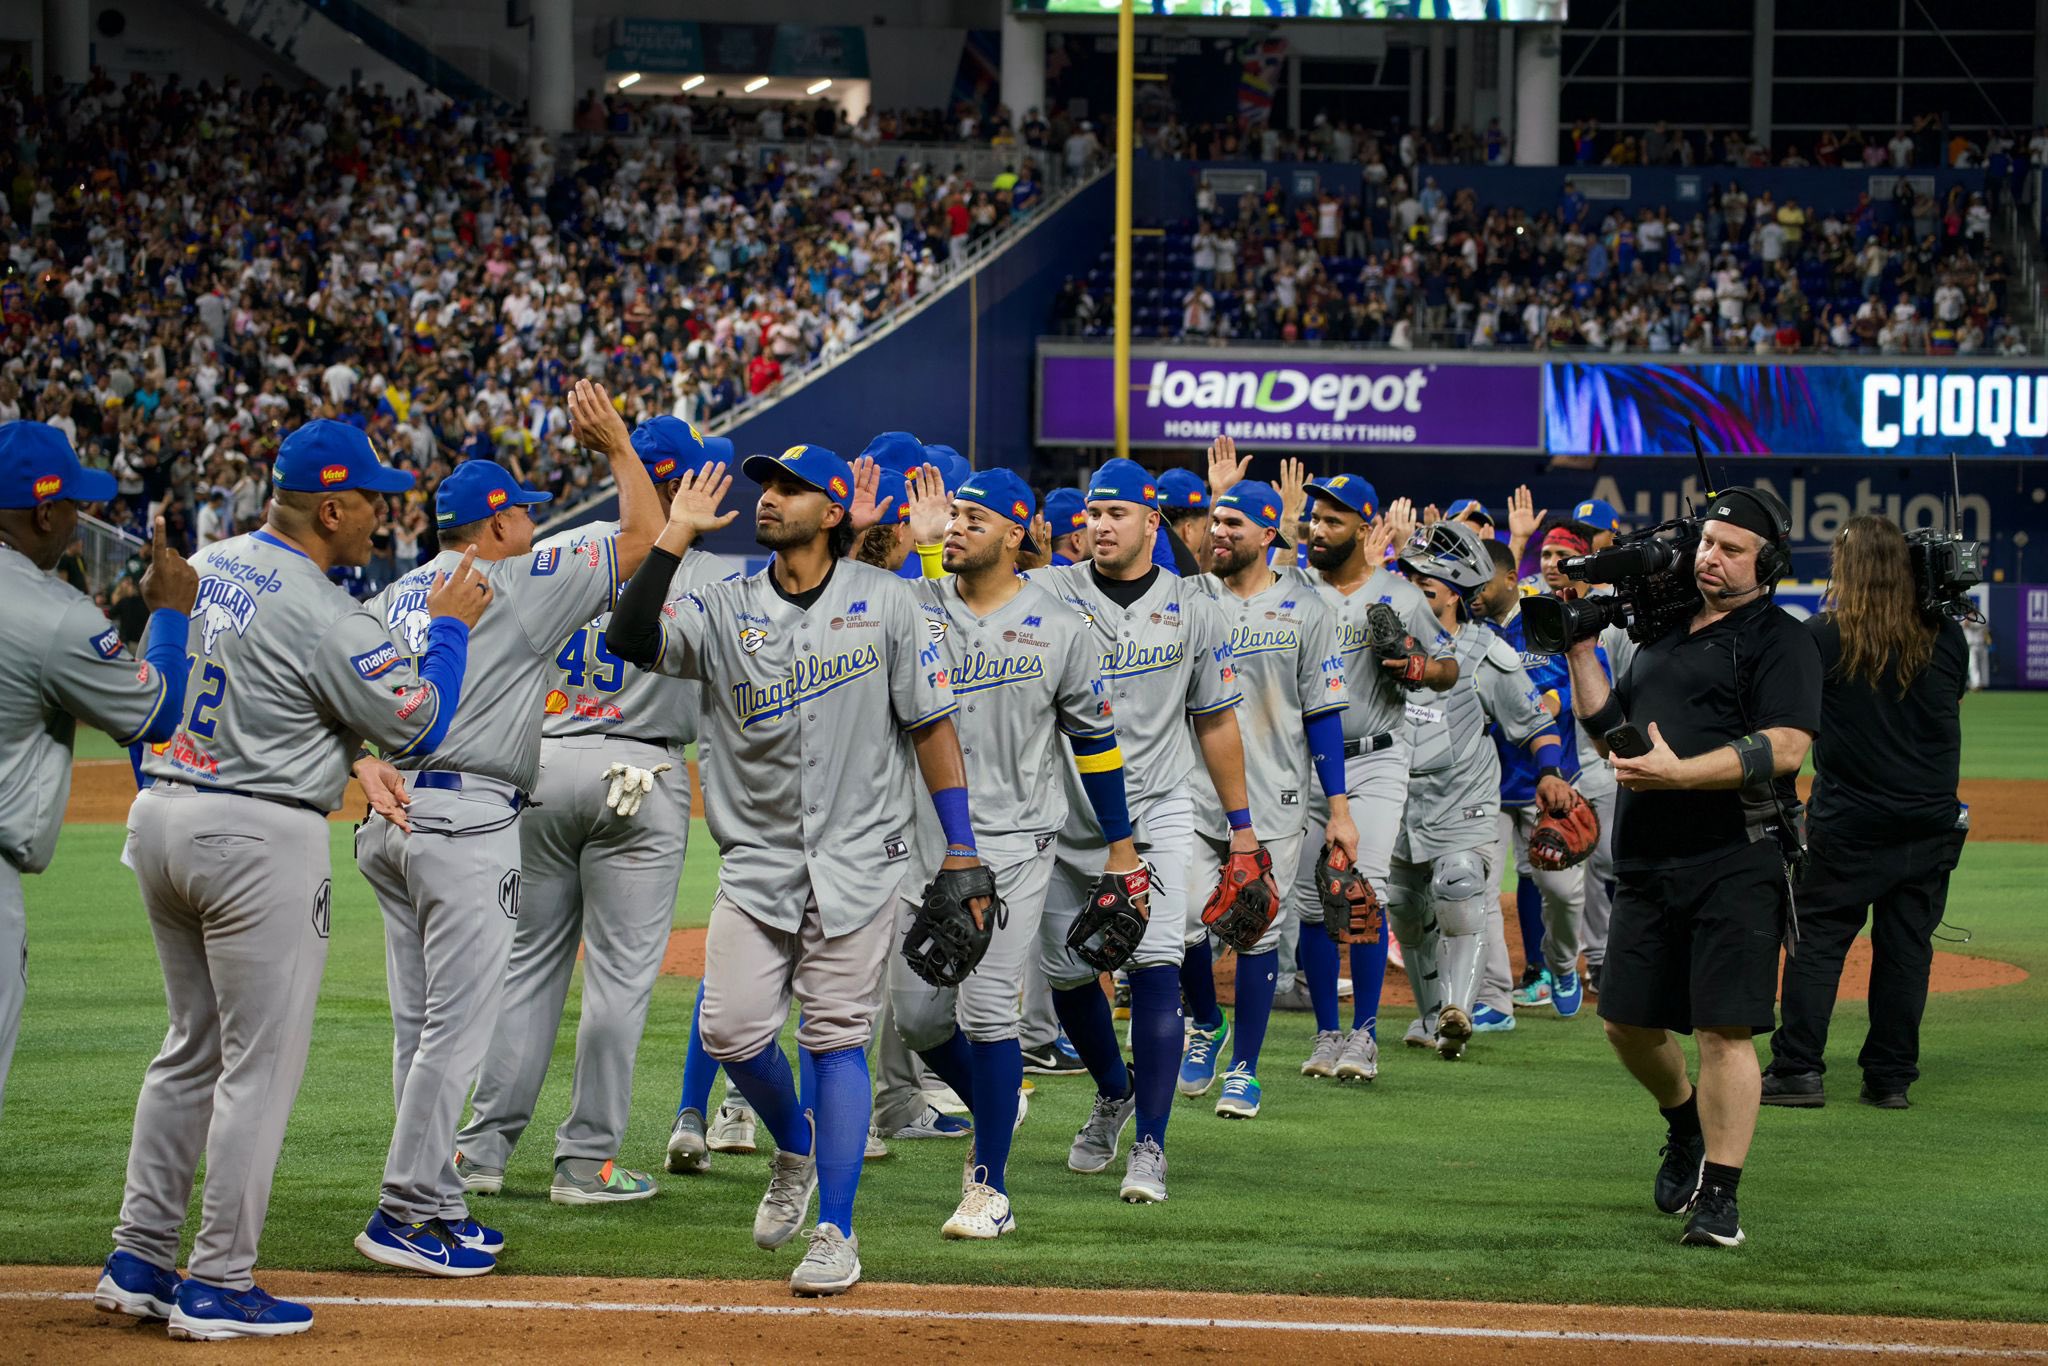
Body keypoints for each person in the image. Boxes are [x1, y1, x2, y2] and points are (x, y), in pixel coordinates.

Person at [102, 421, 489, 1340]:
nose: (381, 518)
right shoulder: (326, 609)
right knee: (257, 1069)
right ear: (330, 506)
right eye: (370, 501)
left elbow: (198, 699)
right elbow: (421, 726)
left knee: (188, 1046)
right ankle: (218, 1281)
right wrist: (447, 630)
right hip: (255, 836)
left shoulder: (211, 559)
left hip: (161, 816)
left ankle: (139, 1258)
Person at [605, 442, 983, 1297]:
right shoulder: (723, 603)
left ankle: (838, 1232)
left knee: (837, 1041)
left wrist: (960, 846)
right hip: (759, 861)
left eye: (790, 487)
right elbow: (631, 637)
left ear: (835, 510)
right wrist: (672, 536)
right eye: (765, 486)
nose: (769, 498)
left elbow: (931, 726)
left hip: (861, 859)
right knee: (732, 1032)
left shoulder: (889, 605)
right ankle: (795, 1147)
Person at [353, 380, 664, 1278]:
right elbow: (643, 542)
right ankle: (407, 1210)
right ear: (492, 526)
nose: (533, 524)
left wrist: (356, 762)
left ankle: (439, 1199)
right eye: (520, 513)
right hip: (463, 819)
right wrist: (615, 446)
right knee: (457, 1032)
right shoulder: (517, 580)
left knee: (419, 1031)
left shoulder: (398, 590)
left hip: (392, 818)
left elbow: (334, 683)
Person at [452, 418, 741, 1206]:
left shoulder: (566, 550)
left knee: (527, 973)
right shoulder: (713, 578)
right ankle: (585, 1163)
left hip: (540, 765)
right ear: (692, 482)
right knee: (617, 982)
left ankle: (479, 1152)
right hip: (643, 772)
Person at [1566, 486, 1823, 1249]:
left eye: (1732, 549)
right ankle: (1684, 1122)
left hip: (1736, 855)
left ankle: (1721, 1196)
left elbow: (1785, 748)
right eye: (1708, 542)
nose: (1711, 557)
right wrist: (1580, 649)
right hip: (1648, 851)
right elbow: (1610, 727)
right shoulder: (1664, 633)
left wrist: (1681, 774)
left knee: (1724, 1030)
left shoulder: (1783, 640)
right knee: (1626, 1023)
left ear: (1767, 564)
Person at [894, 465, 1142, 1236]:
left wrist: (1121, 844)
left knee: (989, 1013)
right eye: (953, 515)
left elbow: (1096, 743)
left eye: (975, 516)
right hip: (922, 841)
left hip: (1014, 842)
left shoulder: (1063, 626)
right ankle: (998, 1106)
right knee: (915, 1020)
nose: (958, 525)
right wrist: (922, 545)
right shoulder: (915, 602)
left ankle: (988, 1187)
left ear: (1016, 530)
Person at [1025, 457, 1258, 1205]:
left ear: (1152, 523)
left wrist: (1245, 831)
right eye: (1093, 512)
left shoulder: (1194, 608)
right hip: (1062, 816)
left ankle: (1151, 1144)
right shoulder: (1050, 591)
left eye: (1118, 512)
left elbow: (1216, 720)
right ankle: (1113, 1091)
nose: (1100, 524)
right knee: (1068, 979)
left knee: (1157, 969)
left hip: (1158, 813)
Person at [0, 423, 194, 1124]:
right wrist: (167, 614)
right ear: (43, 513)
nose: (81, 524)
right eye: (73, 508)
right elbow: (158, 712)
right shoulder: (51, 613)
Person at [1764, 517, 1968, 1110]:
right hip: (1929, 824)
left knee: (1819, 944)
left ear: (1846, 568)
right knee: (1907, 950)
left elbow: (1793, 723)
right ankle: (1890, 1078)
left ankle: (1799, 1070)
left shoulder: (1823, 636)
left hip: (1849, 825)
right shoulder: (1946, 635)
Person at [1175, 479, 1355, 1120]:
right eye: (1215, 522)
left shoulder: (1309, 610)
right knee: (1183, 924)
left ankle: (1244, 1070)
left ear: (1268, 535)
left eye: (1233, 524)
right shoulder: (1188, 598)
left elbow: (1324, 714)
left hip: (1276, 795)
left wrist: (1339, 808)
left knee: (1254, 931)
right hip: (1190, 793)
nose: (1218, 532)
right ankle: (1204, 1022)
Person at [1290, 471, 1457, 1082]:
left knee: (1361, 891)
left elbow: (1449, 668)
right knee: (1310, 904)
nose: (1319, 528)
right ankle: (1326, 1033)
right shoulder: (1292, 588)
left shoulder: (1404, 594)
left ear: (1365, 529)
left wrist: (1422, 666)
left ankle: (1364, 1035)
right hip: (1302, 759)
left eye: (1334, 520)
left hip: (1379, 754)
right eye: (1315, 517)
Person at [1393, 522, 1575, 1062]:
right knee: (1404, 907)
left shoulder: (1486, 652)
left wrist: (1549, 770)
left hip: (1463, 798)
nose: (1414, 590)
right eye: (1410, 580)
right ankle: (1431, 1019)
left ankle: (1459, 1010)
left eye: (1426, 584)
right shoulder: (1386, 647)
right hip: (1399, 800)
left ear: (1454, 592)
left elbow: (1533, 720)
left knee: (1459, 889)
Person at [1473, 532, 1593, 1027]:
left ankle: (1562, 966)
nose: (1473, 590)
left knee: (1562, 892)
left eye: (1482, 580)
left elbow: (1584, 677)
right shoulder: (1469, 629)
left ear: (1508, 578)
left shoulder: (1547, 619)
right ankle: (1495, 997)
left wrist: (1543, 707)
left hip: (1551, 781)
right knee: (1475, 894)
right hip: (1484, 784)